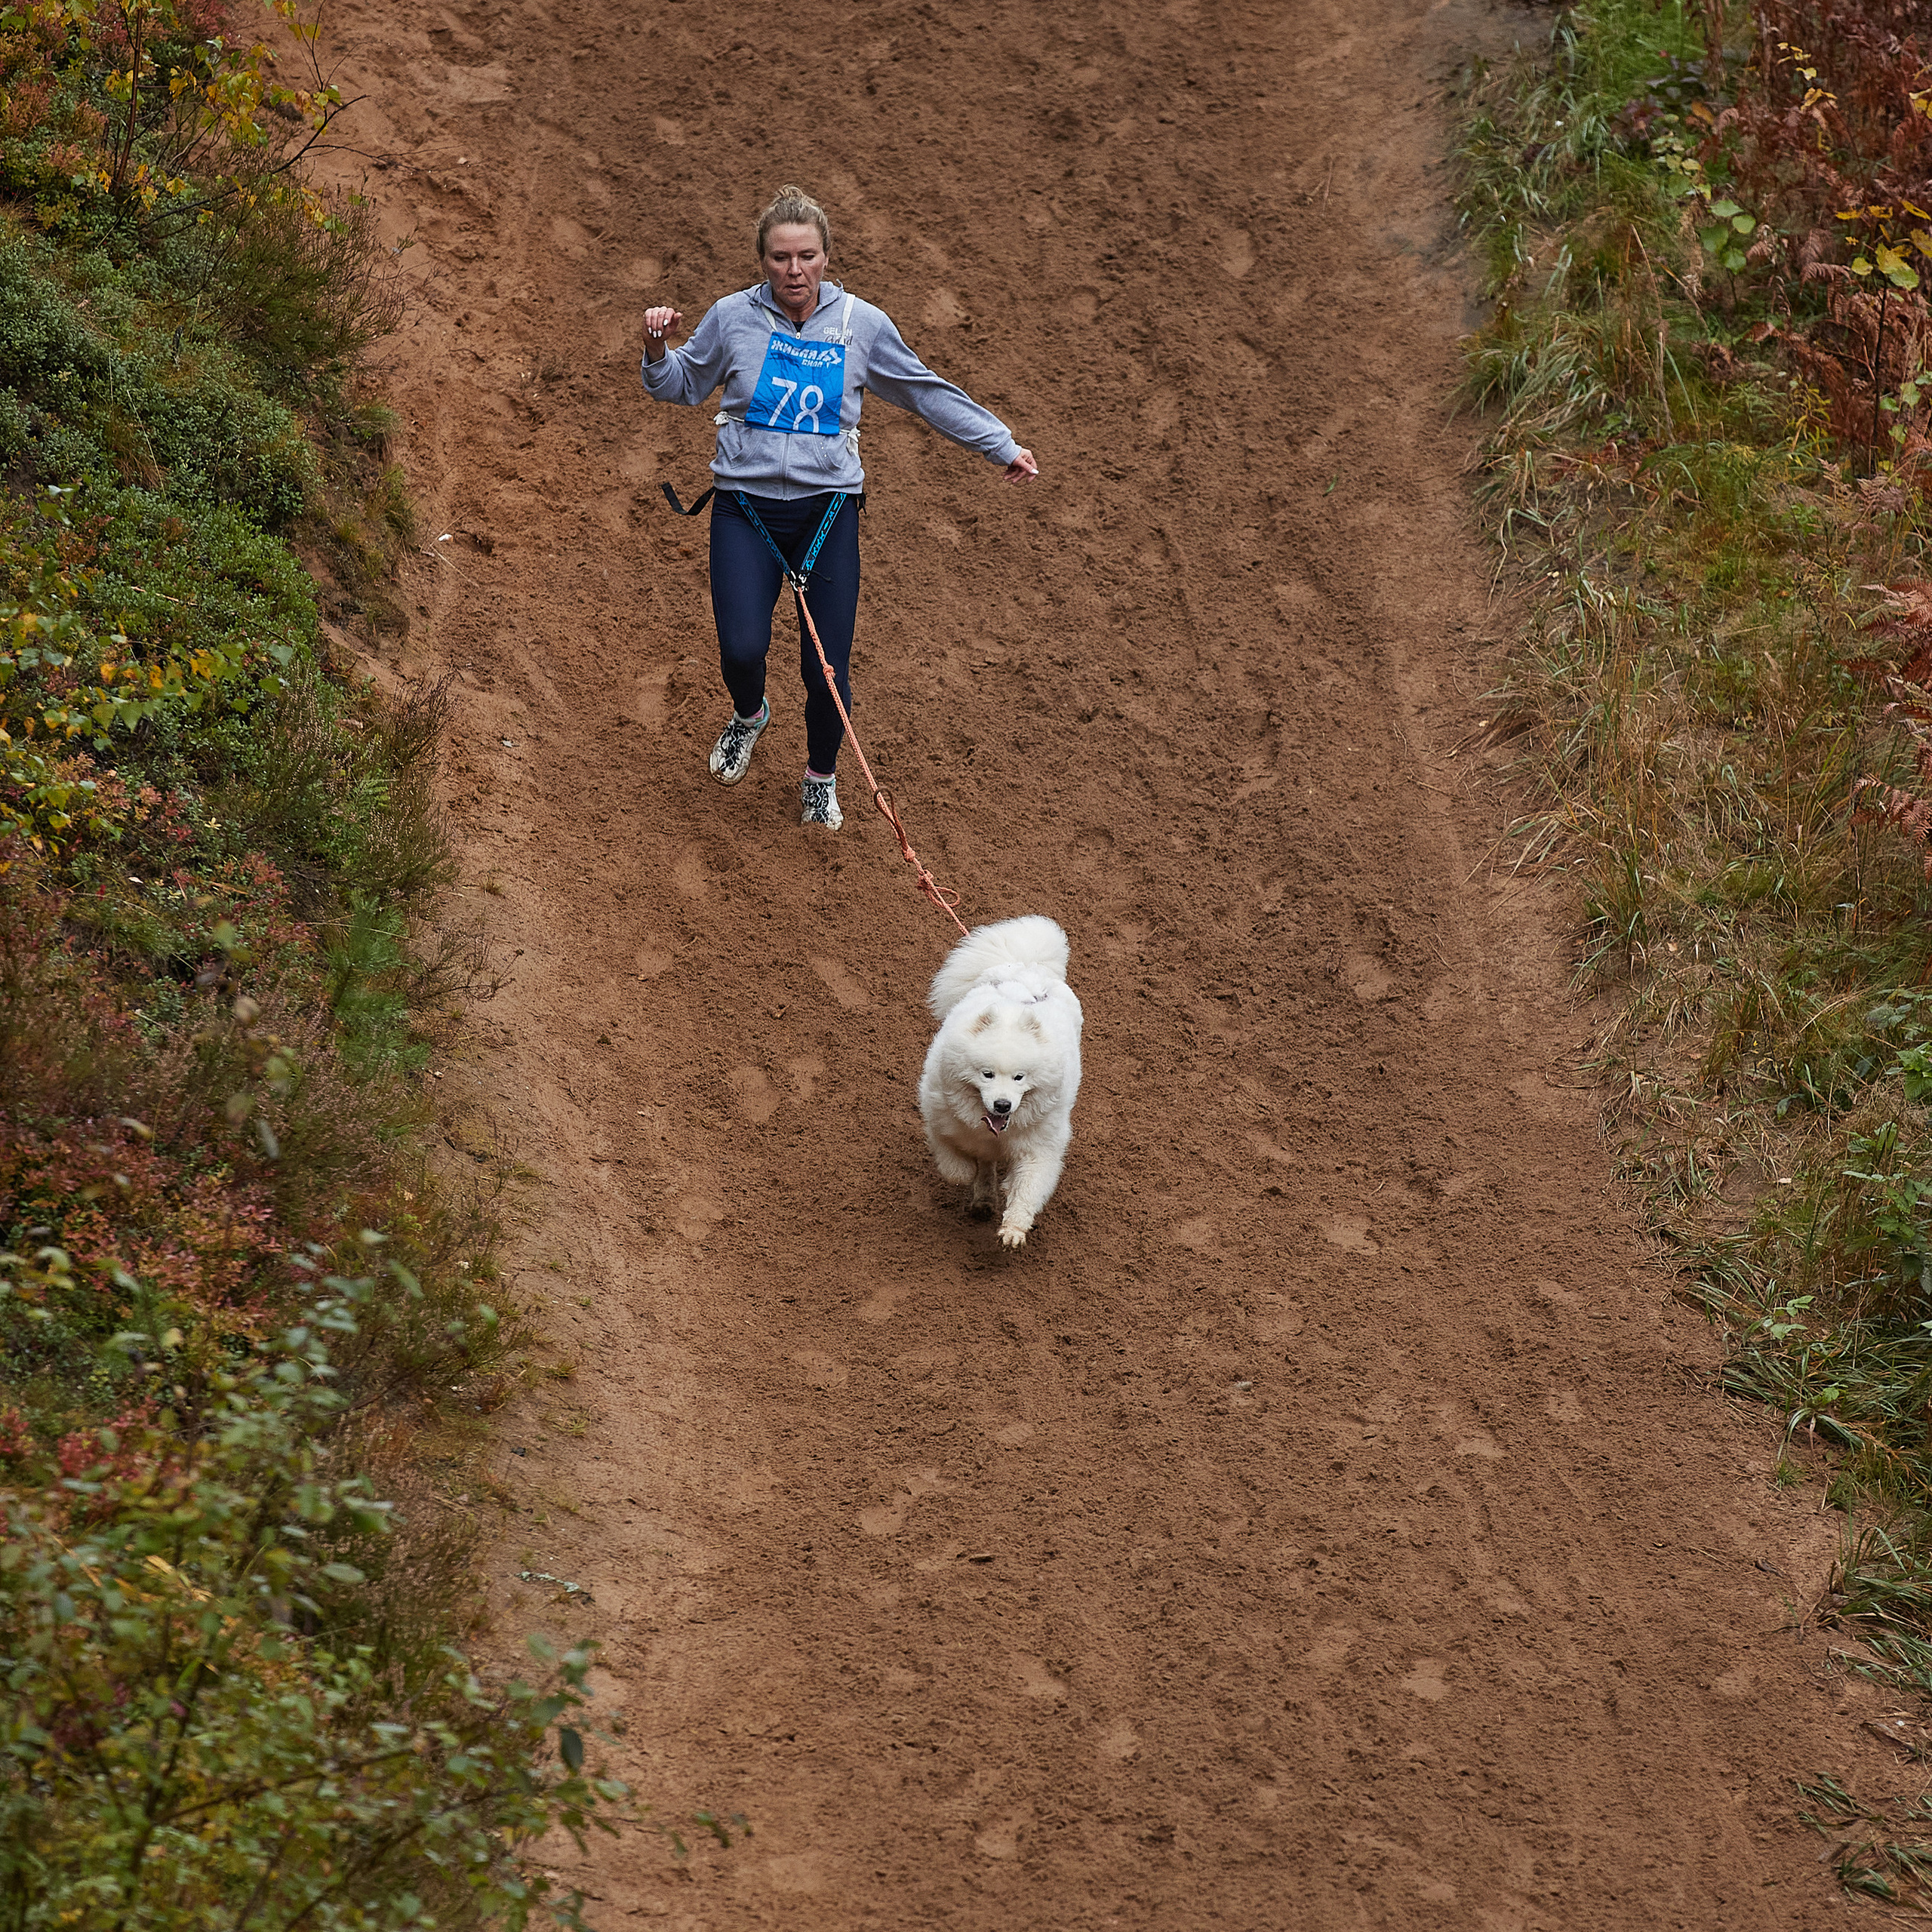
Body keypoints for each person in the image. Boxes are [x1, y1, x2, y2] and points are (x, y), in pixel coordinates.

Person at [640, 184, 1038, 830]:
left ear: (826, 257)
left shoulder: (862, 325)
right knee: (742, 649)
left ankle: (820, 776)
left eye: (806, 256)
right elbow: (680, 385)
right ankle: (750, 715)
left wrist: (1001, 446)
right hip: (745, 508)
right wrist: (658, 351)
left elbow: (922, 390)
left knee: (825, 668)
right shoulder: (731, 317)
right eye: (779, 258)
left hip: (827, 515)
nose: (793, 271)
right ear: (762, 261)